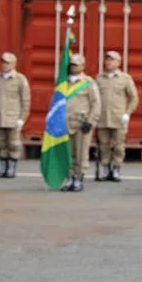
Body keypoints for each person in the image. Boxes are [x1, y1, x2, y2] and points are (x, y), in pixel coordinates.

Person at [0, 52, 30, 178]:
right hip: (0, 117)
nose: (4, 65)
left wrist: (22, 118)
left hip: (13, 117)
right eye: (3, 62)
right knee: (1, 143)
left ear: (14, 64)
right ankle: (3, 167)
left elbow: (25, 101)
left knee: (13, 143)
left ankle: (11, 167)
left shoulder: (20, 79)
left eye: (7, 63)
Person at [95, 50, 139, 182]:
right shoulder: (99, 78)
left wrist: (127, 113)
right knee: (103, 145)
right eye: (107, 59)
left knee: (119, 146)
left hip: (119, 118)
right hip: (102, 117)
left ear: (118, 62)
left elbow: (134, 98)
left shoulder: (125, 78)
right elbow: (94, 98)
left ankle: (116, 168)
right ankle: (105, 167)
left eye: (112, 59)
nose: (108, 62)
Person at [60, 54, 101, 192]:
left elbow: (96, 104)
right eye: (72, 65)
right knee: (67, 152)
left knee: (81, 153)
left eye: (76, 65)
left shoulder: (88, 83)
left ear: (83, 66)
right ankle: (69, 177)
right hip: (65, 123)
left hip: (82, 124)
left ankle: (79, 178)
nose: (73, 67)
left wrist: (90, 121)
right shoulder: (63, 82)